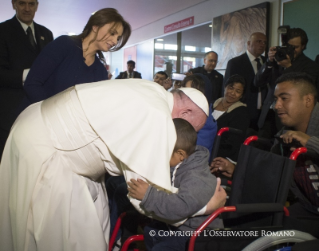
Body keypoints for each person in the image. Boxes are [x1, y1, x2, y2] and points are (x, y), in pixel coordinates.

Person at [0, 79, 209, 251]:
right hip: (51, 150)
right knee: (65, 239)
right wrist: (207, 206)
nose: (190, 136)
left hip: (46, 133)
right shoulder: (158, 116)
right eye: (194, 129)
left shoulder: (154, 91)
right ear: (185, 113)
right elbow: (143, 195)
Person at [211, 72, 319, 220]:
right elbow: (271, 175)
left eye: (284, 98)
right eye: (276, 99)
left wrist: (309, 141)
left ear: (307, 100)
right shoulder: (284, 135)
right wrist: (236, 170)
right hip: (307, 208)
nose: (276, 105)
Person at [128, 118, 226, 251]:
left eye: (162, 152)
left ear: (180, 154)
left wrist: (148, 195)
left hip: (197, 234)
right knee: (150, 232)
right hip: (179, 227)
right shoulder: (178, 163)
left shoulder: (197, 176)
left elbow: (182, 206)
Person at [21, 8, 131, 109]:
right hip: (35, 120)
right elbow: (33, 83)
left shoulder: (100, 72)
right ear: (95, 26)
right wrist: (53, 114)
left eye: (118, 38)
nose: (115, 41)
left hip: (67, 128)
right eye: (112, 33)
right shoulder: (64, 45)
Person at [0, 0, 53, 158]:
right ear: (14, 4)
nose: (27, 8)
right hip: (9, 112)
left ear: (37, 6)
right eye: (22, 3)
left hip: (39, 111)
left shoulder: (46, 34)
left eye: (32, 4)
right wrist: (27, 75)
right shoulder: (2, 31)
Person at [255, 28, 319, 138]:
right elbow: (257, 82)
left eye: (296, 47)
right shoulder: (277, 59)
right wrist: (269, 62)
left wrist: (288, 67)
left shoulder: (311, 66)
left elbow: (304, 89)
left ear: (303, 46)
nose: (292, 50)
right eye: (289, 46)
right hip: (268, 115)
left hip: (289, 121)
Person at [224, 32, 267, 132]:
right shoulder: (235, 63)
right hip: (243, 111)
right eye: (258, 41)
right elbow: (229, 88)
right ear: (248, 43)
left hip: (264, 113)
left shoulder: (267, 62)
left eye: (264, 42)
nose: (262, 45)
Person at [211, 74, 250, 162]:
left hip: (220, 157)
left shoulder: (241, 112)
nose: (232, 93)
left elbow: (232, 144)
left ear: (241, 95)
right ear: (225, 87)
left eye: (238, 91)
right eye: (231, 88)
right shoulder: (211, 104)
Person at [181, 74, 217, 157]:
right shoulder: (183, 111)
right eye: (185, 91)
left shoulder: (207, 123)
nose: (186, 96)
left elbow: (189, 153)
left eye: (192, 92)